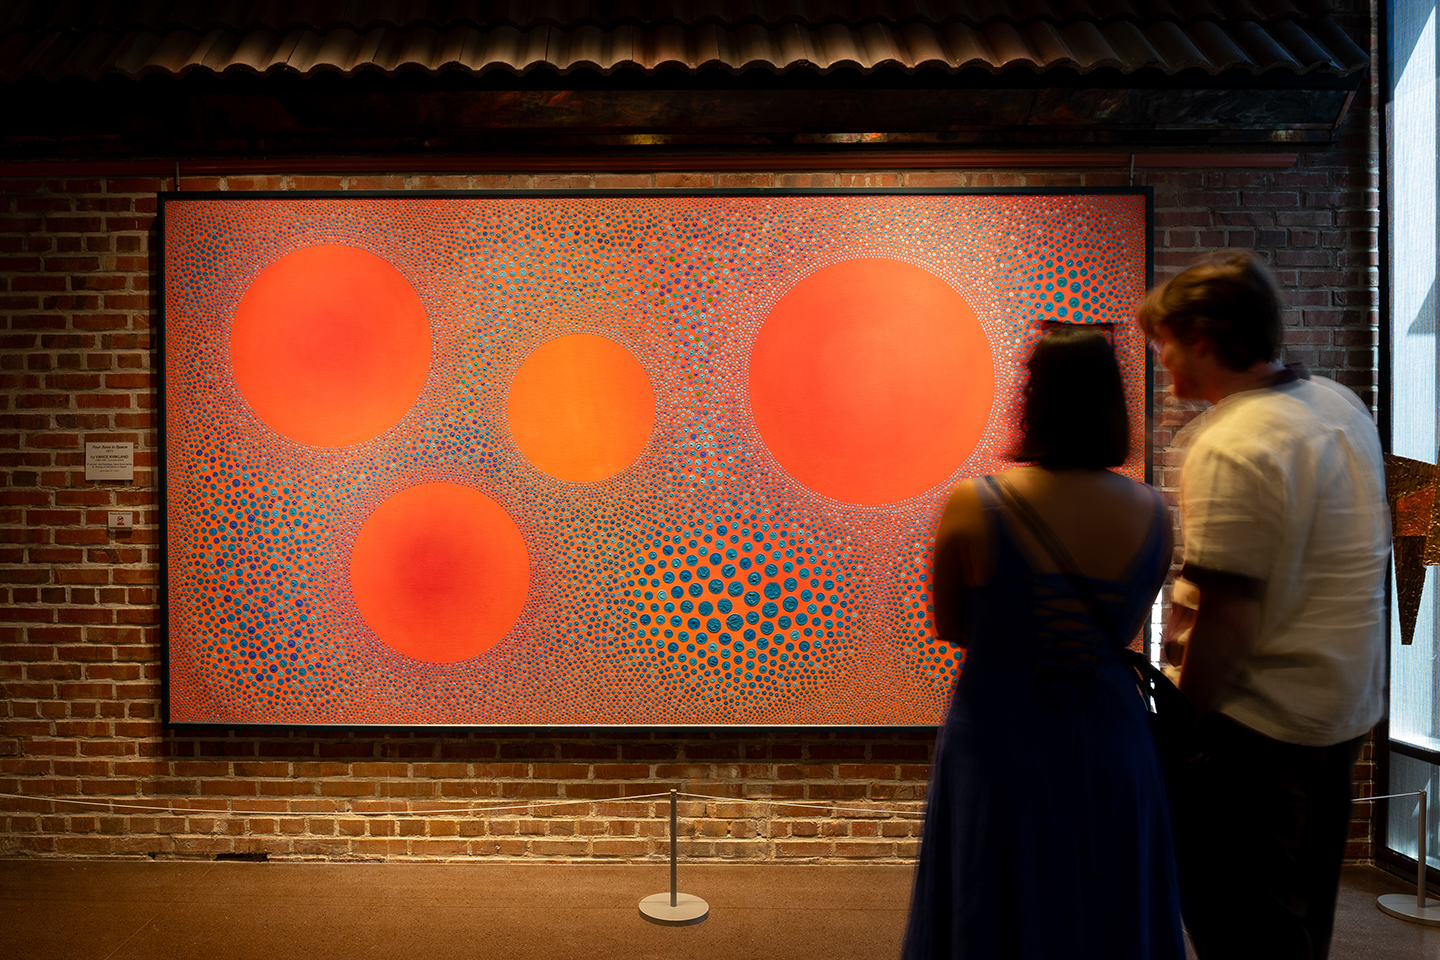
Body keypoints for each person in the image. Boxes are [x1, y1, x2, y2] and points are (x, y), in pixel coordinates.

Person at [903, 325, 1184, 960]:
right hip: (1114, 735)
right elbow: (1129, 625)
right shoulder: (1151, 511)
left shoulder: (977, 502)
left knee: (991, 902)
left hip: (1000, 729)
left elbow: (950, 623)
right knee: (1108, 911)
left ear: (1038, 399)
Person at [1140, 251, 1388, 960]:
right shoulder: (1340, 403)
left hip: (1256, 729)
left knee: (1242, 924)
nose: (1162, 361)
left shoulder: (1231, 442)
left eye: (1166, 343)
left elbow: (1228, 613)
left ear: (1206, 340)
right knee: (1301, 917)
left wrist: (1182, 735)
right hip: (1339, 712)